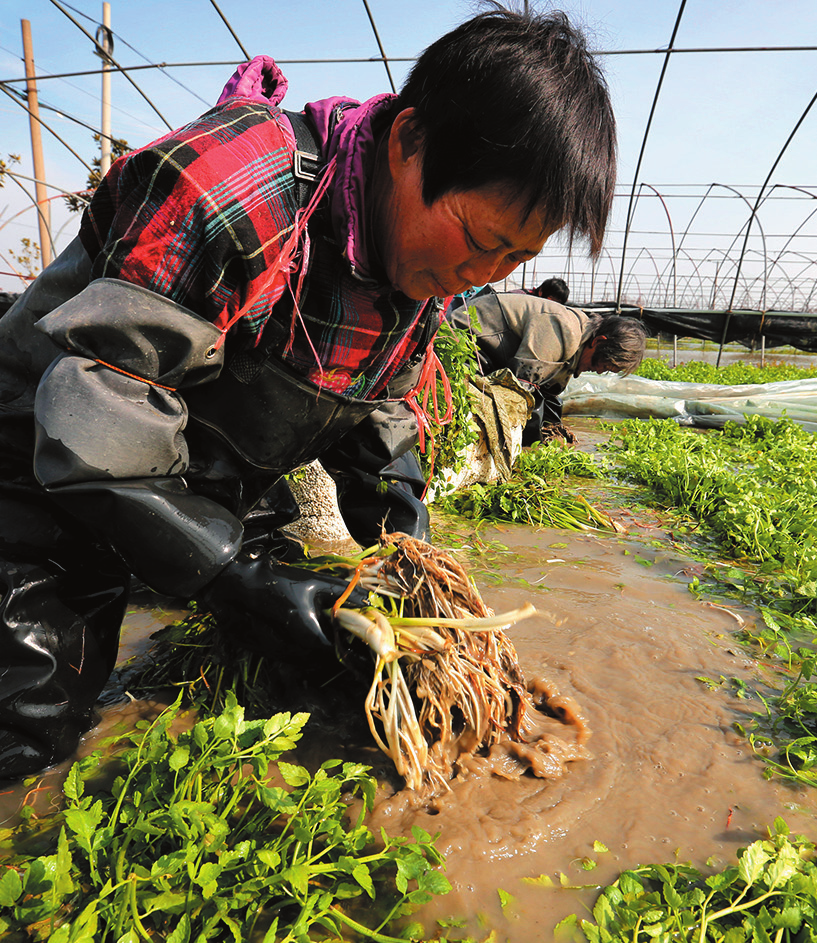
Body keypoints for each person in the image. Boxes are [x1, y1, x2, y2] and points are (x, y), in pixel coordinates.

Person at [0, 7, 618, 780]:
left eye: (514, 258)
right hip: (39, 459)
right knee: (31, 729)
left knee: (307, 672)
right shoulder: (226, 190)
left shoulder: (414, 265)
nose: (485, 275)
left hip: (198, 478)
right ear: (407, 144)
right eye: (482, 240)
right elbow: (100, 427)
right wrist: (234, 576)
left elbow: (382, 419)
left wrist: (404, 542)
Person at [449, 289, 646, 442]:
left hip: (489, 352)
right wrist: (533, 440)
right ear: (598, 342)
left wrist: (552, 430)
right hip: (463, 340)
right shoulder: (564, 328)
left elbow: (548, 392)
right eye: (603, 365)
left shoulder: (578, 342)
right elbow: (518, 386)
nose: (598, 371)